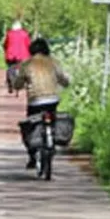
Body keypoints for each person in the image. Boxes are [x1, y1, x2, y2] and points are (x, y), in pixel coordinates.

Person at [17, 37, 71, 171]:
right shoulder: (53, 62)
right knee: (52, 120)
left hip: (35, 101)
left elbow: (18, 83)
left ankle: (32, 157)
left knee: (31, 125)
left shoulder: (27, 64)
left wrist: (18, 85)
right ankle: (51, 138)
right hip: (52, 99)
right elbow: (63, 79)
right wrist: (65, 83)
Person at [3, 21, 31, 96]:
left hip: (11, 55)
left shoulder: (9, 34)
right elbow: (29, 44)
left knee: (10, 68)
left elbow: (5, 44)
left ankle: (10, 85)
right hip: (23, 56)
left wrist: (6, 49)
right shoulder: (25, 34)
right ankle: (28, 84)